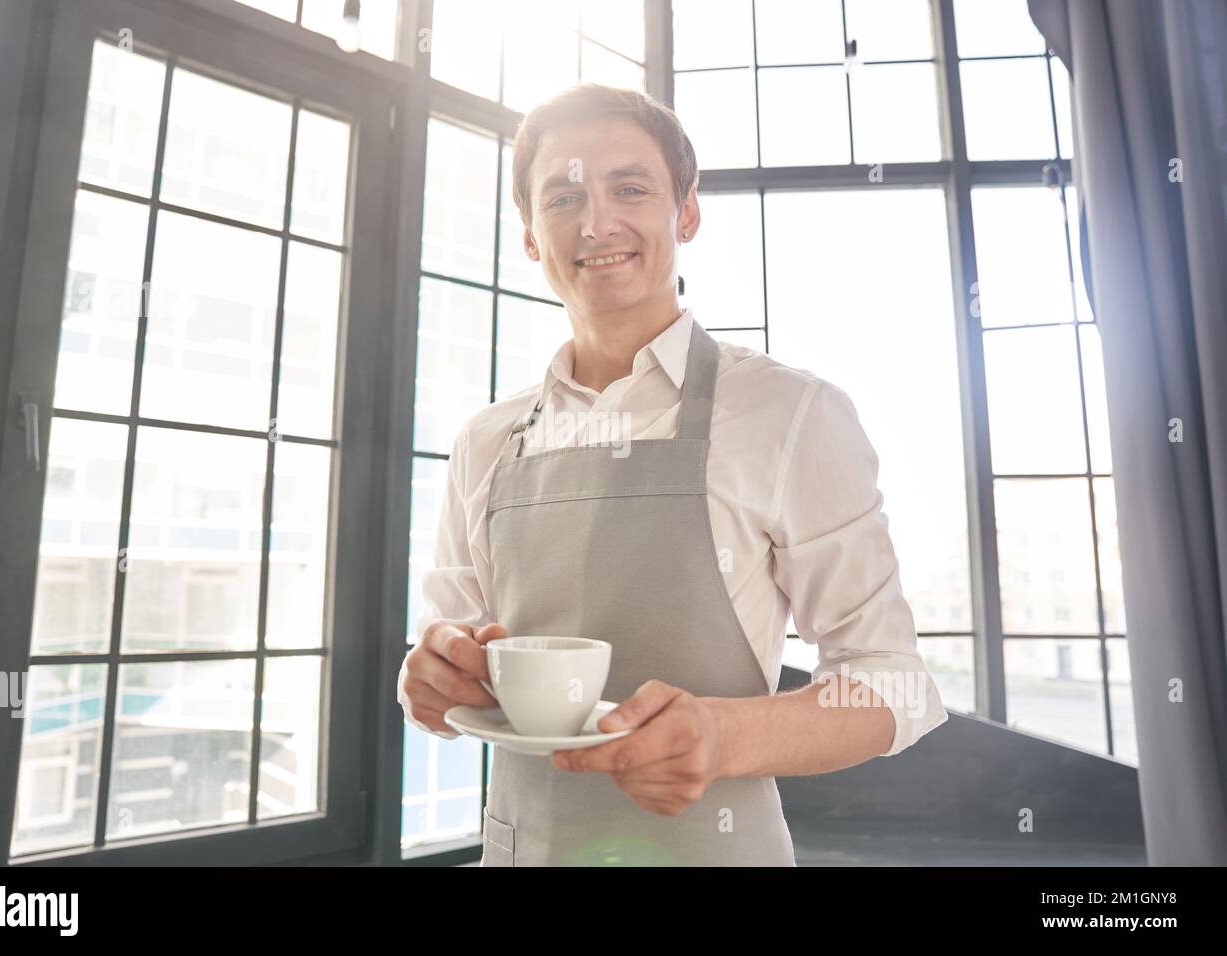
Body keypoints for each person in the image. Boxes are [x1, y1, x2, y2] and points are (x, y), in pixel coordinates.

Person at [397, 83, 948, 866]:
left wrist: (725, 736)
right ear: (529, 235)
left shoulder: (792, 415)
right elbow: (453, 660)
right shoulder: (485, 441)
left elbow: (895, 686)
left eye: (630, 188)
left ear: (685, 213)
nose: (596, 223)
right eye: (563, 196)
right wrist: (433, 680)